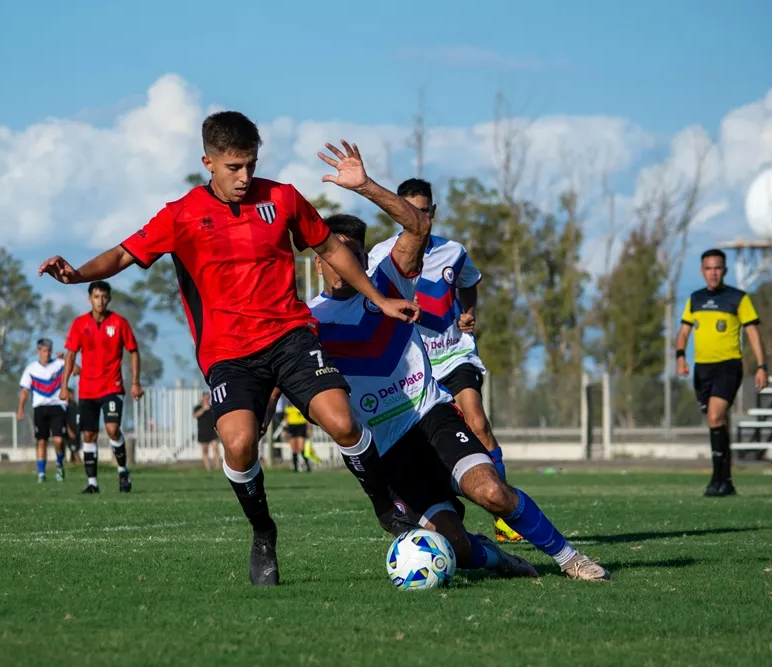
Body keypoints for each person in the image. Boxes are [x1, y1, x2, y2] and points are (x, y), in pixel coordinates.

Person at [39, 112, 420, 587]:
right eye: (234, 167)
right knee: (240, 447)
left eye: (251, 165)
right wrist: (78, 274)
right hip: (229, 355)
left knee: (342, 421)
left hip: (290, 336)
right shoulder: (179, 215)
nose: (244, 178)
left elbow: (330, 249)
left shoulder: (281, 198)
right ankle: (263, 533)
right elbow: (122, 253)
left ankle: (387, 507)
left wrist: (379, 298)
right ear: (209, 162)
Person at [305, 141, 609, 581]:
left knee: (492, 493)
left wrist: (366, 185)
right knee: (457, 548)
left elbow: (416, 227)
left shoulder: (389, 280)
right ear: (319, 262)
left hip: (431, 417)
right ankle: (498, 558)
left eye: (353, 251)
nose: (344, 261)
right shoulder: (310, 322)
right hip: (390, 451)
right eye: (335, 253)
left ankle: (569, 558)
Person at [368, 178, 521, 543]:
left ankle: (503, 515)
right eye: (409, 209)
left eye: (424, 210)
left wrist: (468, 311)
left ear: (433, 212)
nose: (418, 216)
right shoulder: (381, 255)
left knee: (478, 421)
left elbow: (469, 282)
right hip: (414, 367)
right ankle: (445, 511)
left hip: (453, 354)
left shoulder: (453, 251)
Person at [676, 248, 768, 497]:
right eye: (709, 268)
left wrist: (762, 366)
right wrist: (680, 356)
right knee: (715, 422)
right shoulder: (694, 299)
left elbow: (752, 333)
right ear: (702, 271)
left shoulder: (738, 298)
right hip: (701, 369)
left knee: (716, 416)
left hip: (729, 366)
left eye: (717, 268)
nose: (713, 273)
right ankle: (724, 480)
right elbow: (684, 331)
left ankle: (718, 479)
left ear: (725, 270)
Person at [62, 281, 141, 494]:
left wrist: (135, 382)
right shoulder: (79, 324)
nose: (100, 301)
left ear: (109, 299)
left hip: (112, 386)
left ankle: (123, 471)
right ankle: (93, 484)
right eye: (96, 297)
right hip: (87, 389)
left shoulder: (119, 323)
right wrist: (64, 385)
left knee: (113, 429)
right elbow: (70, 354)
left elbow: (133, 351)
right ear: (90, 299)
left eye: (104, 297)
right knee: (89, 435)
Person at [18, 338, 68, 483]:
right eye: (44, 351)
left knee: (58, 440)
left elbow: (77, 370)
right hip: (40, 408)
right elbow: (25, 390)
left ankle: (59, 465)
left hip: (57, 406)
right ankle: (41, 473)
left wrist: (66, 358)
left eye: (49, 351)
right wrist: (20, 408)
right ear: (38, 351)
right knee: (42, 442)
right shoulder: (31, 369)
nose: (47, 354)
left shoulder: (59, 364)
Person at [193, 391, 219, 471]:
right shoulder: (198, 407)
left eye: (208, 398)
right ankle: (208, 467)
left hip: (212, 431)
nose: (207, 399)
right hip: (203, 432)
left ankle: (217, 466)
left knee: (215, 449)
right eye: (205, 398)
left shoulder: (212, 408)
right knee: (205, 451)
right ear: (202, 398)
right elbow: (195, 415)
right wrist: (203, 409)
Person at [283, 399, 311, 472]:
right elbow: (286, 418)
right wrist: (285, 430)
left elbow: (307, 416)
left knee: (301, 447)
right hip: (291, 426)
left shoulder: (301, 403)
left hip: (301, 425)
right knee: (294, 448)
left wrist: (309, 428)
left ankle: (307, 466)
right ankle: (295, 468)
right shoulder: (288, 405)